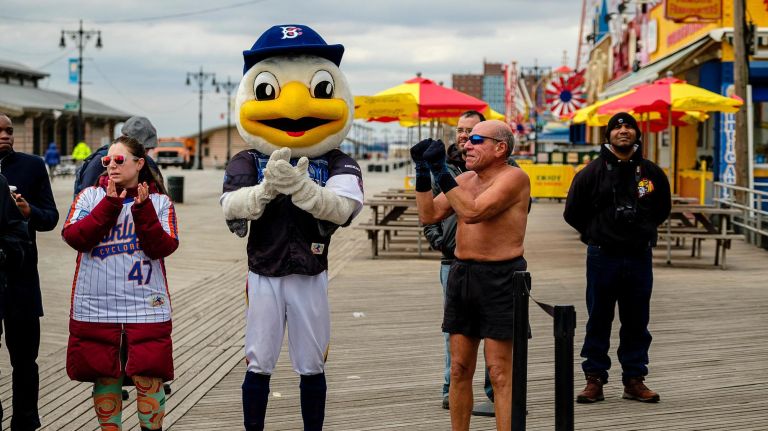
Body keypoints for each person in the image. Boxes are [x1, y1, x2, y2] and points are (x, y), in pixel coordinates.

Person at [411, 119, 530, 431]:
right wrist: (423, 173)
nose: (467, 145)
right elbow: (428, 214)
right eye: (466, 140)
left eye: (477, 139)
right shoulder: (465, 179)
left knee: (500, 371)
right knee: (461, 368)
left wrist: (441, 172)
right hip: (463, 275)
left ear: (500, 148)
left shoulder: (514, 178)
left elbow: (473, 212)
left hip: (501, 277)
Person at [62, 135, 178, 431]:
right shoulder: (89, 197)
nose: (111, 165)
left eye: (119, 160)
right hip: (97, 303)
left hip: (145, 303)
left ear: (139, 163)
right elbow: (75, 238)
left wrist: (142, 211)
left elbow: (162, 247)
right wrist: (110, 206)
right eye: (107, 161)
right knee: (105, 375)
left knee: (149, 376)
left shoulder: (160, 202)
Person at [563, 112, 671, 404]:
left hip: (638, 256)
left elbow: (662, 209)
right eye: (617, 127)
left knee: (637, 320)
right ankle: (594, 379)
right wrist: (596, 233)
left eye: (628, 127)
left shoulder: (651, 173)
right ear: (608, 135)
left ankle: (634, 380)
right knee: (598, 318)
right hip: (603, 256)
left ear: (637, 134)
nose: (623, 131)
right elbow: (572, 212)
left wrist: (643, 229)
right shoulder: (590, 173)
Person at [423, 110, 494, 414]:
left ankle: (494, 392)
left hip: (492, 262)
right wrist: (438, 240)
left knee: (495, 330)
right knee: (453, 330)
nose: (465, 136)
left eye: (472, 131)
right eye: (461, 131)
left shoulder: (503, 167)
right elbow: (428, 212)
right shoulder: (444, 166)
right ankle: (449, 388)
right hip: (451, 261)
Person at [0, 113, 58, 430]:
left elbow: (50, 217)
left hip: (22, 277)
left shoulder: (32, 165)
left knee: (24, 360)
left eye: (9, 130)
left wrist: (28, 211)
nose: (5, 135)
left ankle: (25, 422)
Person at [74, 116, 162, 196]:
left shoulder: (148, 162)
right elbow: (84, 201)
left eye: (148, 148)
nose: (112, 165)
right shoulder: (98, 162)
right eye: (107, 161)